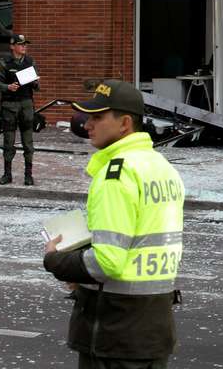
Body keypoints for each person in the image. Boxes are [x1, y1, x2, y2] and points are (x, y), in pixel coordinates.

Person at [43, 80, 185, 369]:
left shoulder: (116, 174)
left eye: (97, 117)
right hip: (152, 326)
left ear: (124, 124)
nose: (87, 124)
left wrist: (56, 260)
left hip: (114, 332)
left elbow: (107, 263)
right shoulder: (160, 167)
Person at [0, 34, 38, 186]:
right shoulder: (4, 62)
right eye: (21, 44)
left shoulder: (30, 61)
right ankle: (7, 175)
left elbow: (36, 87)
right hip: (10, 106)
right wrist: (8, 87)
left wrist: (36, 82)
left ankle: (28, 175)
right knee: (8, 142)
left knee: (28, 142)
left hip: (26, 104)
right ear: (12, 46)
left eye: (25, 44)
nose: (24, 46)